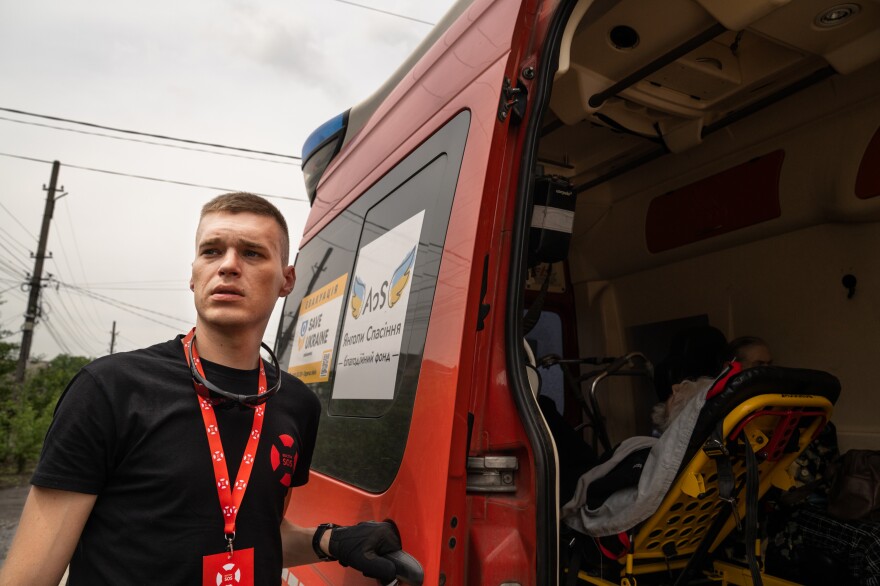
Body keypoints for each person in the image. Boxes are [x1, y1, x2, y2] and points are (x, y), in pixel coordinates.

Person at [0, 193, 403, 585]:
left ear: (287, 279)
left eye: (252, 253)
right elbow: (30, 577)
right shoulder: (110, 389)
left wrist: (332, 540)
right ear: (193, 275)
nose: (228, 265)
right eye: (211, 251)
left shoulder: (297, 403)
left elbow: (256, 534)